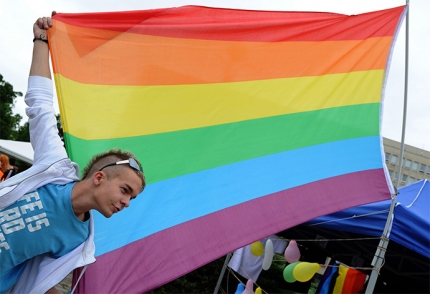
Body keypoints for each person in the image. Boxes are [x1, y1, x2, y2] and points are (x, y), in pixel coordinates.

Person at [0, 12, 146, 294]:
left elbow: (36, 280)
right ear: (100, 177)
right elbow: (39, 105)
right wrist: (40, 41)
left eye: (132, 197)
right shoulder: (54, 165)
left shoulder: (78, 242)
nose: (127, 203)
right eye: (126, 190)